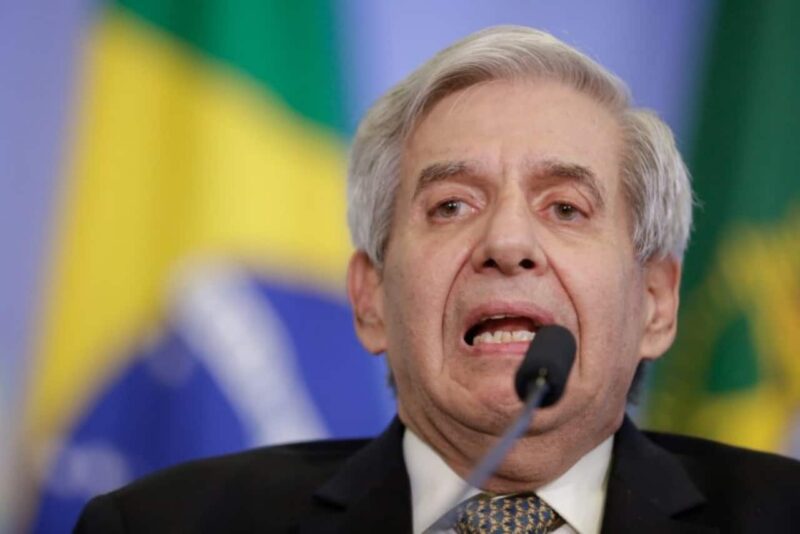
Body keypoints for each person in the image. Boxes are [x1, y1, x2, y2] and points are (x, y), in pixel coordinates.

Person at [75, 26, 800, 533]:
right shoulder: (162, 525)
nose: (508, 243)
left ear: (656, 303)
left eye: (566, 208)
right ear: (370, 300)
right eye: (452, 205)